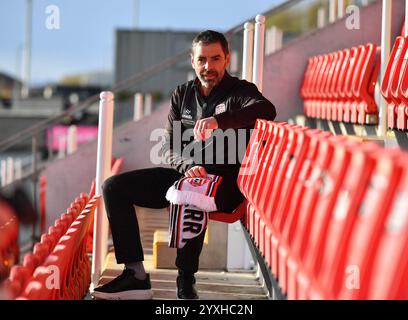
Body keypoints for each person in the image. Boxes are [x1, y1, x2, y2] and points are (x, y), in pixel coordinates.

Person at [92, 30, 276, 300]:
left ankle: (185, 281)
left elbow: (267, 110)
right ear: (192, 61)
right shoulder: (182, 94)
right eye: (202, 59)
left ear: (226, 59)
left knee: (191, 192)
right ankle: (136, 275)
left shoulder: (240, 91)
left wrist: (219, 121)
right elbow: (168, 147)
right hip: (186, 173)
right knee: (114, 186)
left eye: (215, 59)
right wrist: (187, 164)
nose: (208, 66)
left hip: (226, 184)